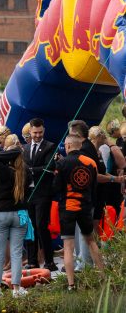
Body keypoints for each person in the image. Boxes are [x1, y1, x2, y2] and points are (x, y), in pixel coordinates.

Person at [54, 122, 114, 290]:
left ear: (67, 145)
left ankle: (71, 285)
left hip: (68, 208)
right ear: (80, 145)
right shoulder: (91, 162)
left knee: (68, 246)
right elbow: (94, 184)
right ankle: (104, 278)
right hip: (85, 207)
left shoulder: (62, 163)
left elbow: (56, 188)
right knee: (91, 241)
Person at [0, 136, 31, 297]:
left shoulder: (3, 169)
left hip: (0, 214)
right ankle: (16, 289)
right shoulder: (25, 171)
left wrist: (11, 151)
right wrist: (17, 152)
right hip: (19, 214)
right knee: (17, 253)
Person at [22, 118, 58, 271]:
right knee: (30, 227)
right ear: (30, 132)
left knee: (41, 226)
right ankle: (32, 260)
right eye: (35, 133)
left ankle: (49, 261)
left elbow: (49, 167)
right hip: (28, 193)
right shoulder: (24, 148)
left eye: (40, 132)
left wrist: (30, 170)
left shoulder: (50, 146)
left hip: (42, 193)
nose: (38, 135)